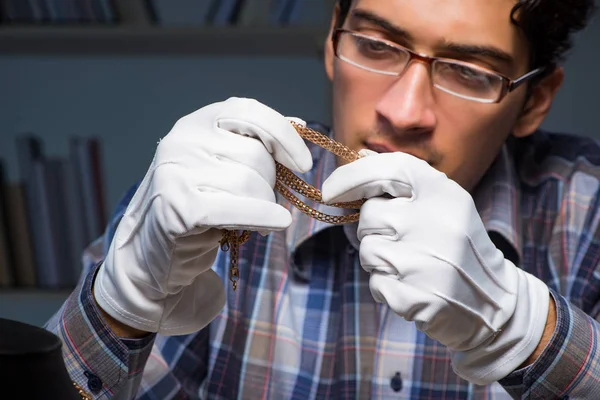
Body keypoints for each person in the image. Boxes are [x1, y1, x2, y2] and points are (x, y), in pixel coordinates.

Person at [44, 0, 600, 398]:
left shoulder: (588, 209)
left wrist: (528, 334)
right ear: (334, 39)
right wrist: (117, 311)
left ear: (534, 100)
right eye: (377, 46)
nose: (404, 112)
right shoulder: (203, 196)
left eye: (469, 72)